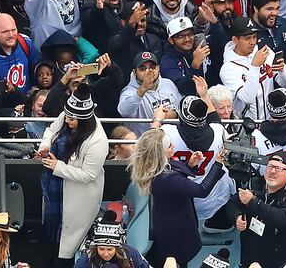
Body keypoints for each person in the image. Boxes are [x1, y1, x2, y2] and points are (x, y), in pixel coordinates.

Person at [128, 127, 227, 267]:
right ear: (160, 153)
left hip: (164, 225)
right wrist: (218, 164)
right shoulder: (167, 179)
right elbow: (201, 190)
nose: (173, 146)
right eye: (169, 146)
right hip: (175, 234)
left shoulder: (155, 170)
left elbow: (176, 180)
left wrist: (190, 165)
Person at [38, 84, 108, 267]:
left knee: (67, 247)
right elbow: (50, 130)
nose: (67, 120)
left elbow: (89, 175)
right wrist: (44, 147)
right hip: (54, 187)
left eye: (72, 119)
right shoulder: (66, 115)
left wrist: (58, 167)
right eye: (67, 116)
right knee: (51, 230)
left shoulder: (98, 140)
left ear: (84, 120)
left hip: (78, 197)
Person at [161, 88, 237, 225]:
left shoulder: (167, 132)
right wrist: (204, 95)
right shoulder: (218, 130)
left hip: (180, 197)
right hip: (212, 197)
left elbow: (150, 140)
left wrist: (157, 119)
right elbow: (215, 120)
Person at [224, 152, 286, 267]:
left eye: (278, 168)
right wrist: (236, 217)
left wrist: (253, 202)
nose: (272, 171)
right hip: (251, 253)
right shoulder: (254, 183)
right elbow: (232, 204)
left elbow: (285, 218)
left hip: (281, 258)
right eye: (270, 166)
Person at [118, 51, 181, 135]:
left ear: (158, 68)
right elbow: (124, 112)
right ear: (134, 72)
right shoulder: (129, 91)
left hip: (172, 141)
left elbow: (181, 108)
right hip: (145, 143)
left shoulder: (168, 83)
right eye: (143, 69)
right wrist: (143, 88)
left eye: (152, 67)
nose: (148, 72)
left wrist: (173, 115)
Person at [73, 216, 150, 268]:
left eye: (109, 249)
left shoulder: (131, 254)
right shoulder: (88, 258)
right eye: (101, 249)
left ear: (116, 247)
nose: (105, 254)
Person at [159, 17, 208, 96]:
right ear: (171, 40)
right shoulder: (167, 62)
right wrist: (195, 65)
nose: (187, 39)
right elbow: (185, 89)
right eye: (180, 36)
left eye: (190, 34)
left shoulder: (200, 50)